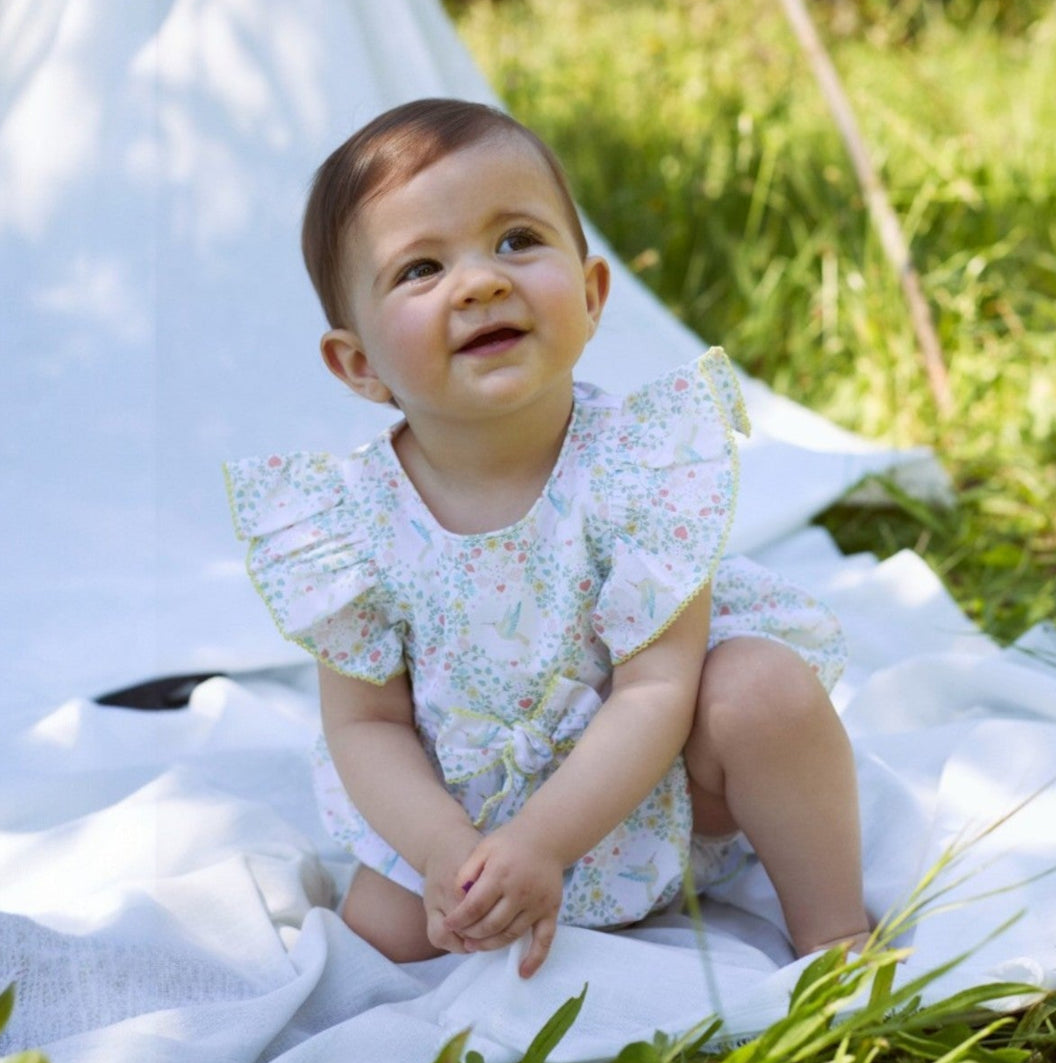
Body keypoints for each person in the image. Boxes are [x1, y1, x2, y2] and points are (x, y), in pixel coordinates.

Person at [225, 98, 870, 979]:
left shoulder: (639, 467)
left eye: (516, 240)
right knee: (375, 957)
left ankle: (835, 934)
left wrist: (544, 843)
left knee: (764, 691)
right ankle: (477, 887)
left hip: (662, 787)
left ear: (593, 294)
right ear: (360, 364)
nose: (480, 283)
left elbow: (657, 689)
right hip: (469, 812)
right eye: (421, 268)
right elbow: (366, 724)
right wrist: (445, 850)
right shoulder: (351, 525)